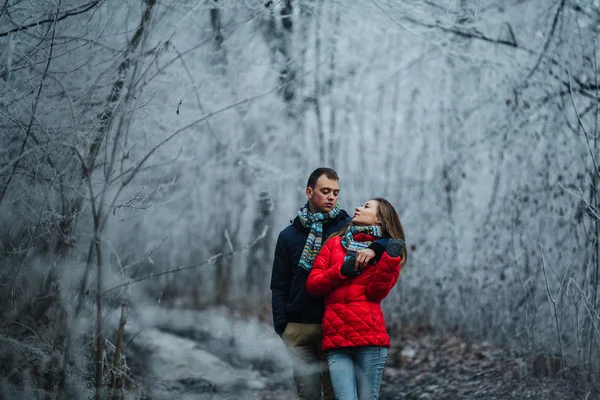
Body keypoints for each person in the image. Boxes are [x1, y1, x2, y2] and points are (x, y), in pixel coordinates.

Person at [270, 168, 388, 400]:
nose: (332, 197)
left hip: (333, 329)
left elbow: (386, 235)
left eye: (335, 192)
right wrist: (282, 327)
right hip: (298, 329)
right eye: (325, 191)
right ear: (309, 192)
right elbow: (279, 285)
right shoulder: (289, 236)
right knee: (309, 394)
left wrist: (374, 249)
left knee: (337, 394)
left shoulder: (347, 227)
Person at [306, 198, 407, 400]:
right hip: (337, 341)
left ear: (379, 219)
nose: (358, 208)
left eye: (366, 206)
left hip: (369, 339)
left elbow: (376, 293)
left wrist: (387, 259)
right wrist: (341, 270)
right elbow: (313, 286)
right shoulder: (334, 244)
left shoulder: (387, 252)